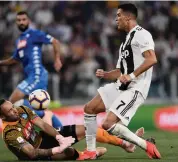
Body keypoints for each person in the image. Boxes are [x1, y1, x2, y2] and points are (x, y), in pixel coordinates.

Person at [79, 3, 161, 160]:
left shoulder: (142, 34)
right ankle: (91, 151)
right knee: (89, 108)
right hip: (121, 86)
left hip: (135, 89)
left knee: (107, 124)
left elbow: (151, 59)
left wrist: (131, 76)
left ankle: (145, 145)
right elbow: (120, 72)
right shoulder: (125, 42)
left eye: (118, 15)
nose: (116, 19)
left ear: (128, 17)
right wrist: (106, 74)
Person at [0, 99, 106, 160]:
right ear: (3, 117)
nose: (15, 110)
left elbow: (43, 125)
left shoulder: (22, 109)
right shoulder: (10, 133)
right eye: (10, 111)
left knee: (86, 129)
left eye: (13, 106)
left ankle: (88, 151)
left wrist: (59, 138)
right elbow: (32, 153)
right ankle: (83, 155)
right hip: (36, 155)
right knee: (69, 152)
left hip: (42, 138)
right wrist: (58, 149)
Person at [0, 11, 62, 106]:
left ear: (28, 21)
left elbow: (55, 41)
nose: (21, 22)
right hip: (30, 76)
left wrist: (57, 59)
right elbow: (14, 59)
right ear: (16, 22)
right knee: (38, 109)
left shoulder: (35, 34)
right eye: (19, 20)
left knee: (12, 101)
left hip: (37, 75)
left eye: (24, 19)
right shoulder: (19, 40)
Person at [42, 109, 145, 153]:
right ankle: (125, 144)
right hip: (42, 145)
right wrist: (48, 115)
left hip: (42, 144)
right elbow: (46, 127)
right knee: (90, 129)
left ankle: (125, 144)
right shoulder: (29, 110)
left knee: (90, 130)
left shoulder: (28, 110)